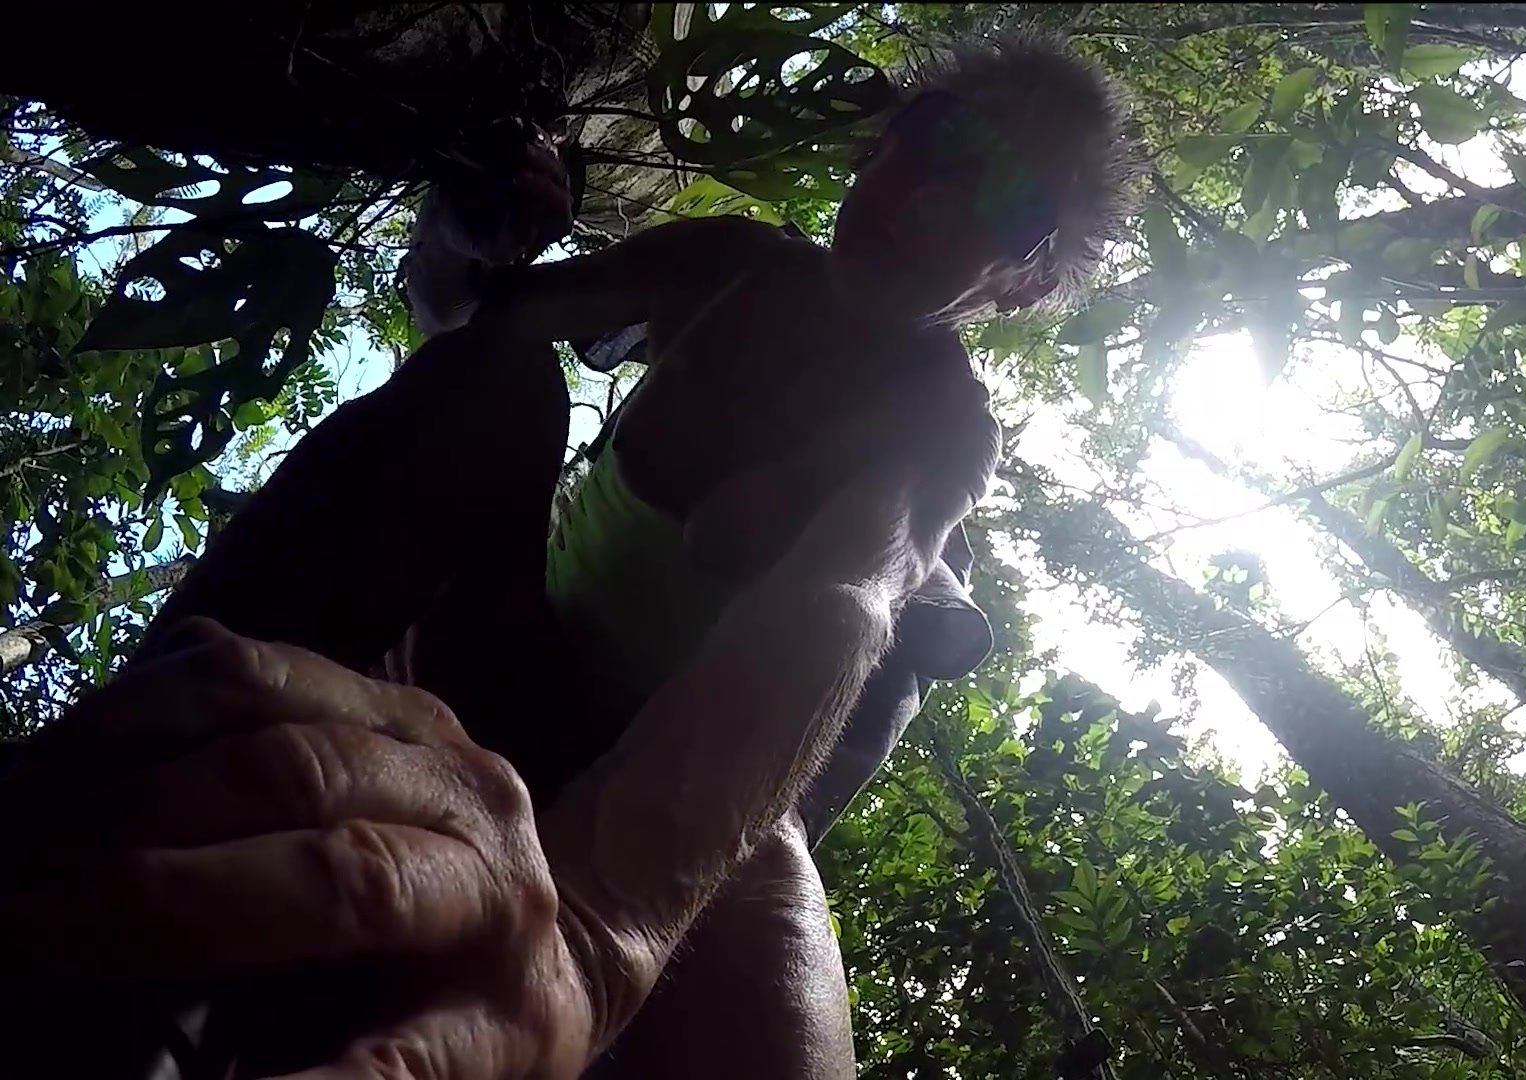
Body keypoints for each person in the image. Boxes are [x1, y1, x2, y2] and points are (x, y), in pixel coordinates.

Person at [0, 33, 1135, 1079]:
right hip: (502, 640)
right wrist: (469, 229)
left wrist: (606, 933)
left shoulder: (940, 422)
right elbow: (469, 315)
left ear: (1023, 280)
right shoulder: (734, 265)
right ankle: (130, 779)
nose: (934, 195)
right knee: (500, 381)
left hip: (687, 781)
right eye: (939, 137)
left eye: (1005, 196)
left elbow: (846, 589)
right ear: (886, 135)